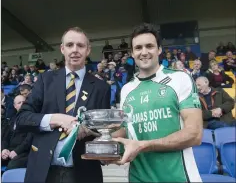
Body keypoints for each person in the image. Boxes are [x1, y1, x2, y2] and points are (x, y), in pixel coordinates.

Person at [16, 27, 111, 183]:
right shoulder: (45, 80)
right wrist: (56, 118)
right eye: (70, 45)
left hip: (84, 173)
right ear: (62, 49)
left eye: (80, 45)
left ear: (88, 50)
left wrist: (89, 132)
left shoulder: (102, 88)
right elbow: (22, 118)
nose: (75, 50)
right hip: (43, 172)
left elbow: (103, 131)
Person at [110, 23, 203, 182]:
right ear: (132, 53)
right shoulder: (127, 89)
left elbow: (195, 134)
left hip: (177, 177)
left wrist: (144, 145)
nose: (144, 52)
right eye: (138, 48)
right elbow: (127, 130)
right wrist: (103, 141)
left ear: (159, 49)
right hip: (137, 177)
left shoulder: (180, 79)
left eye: (149, 46)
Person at [1, 95, 33, 170]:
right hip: (10, 150)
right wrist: (4, 149)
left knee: (12, 165)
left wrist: (16, 151)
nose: (22, 104)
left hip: (24, 152)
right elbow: (5, 138)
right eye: (19, 103)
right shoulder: (12, 119)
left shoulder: (32, 118)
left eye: (23, 102)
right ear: (15, 106)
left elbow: (28, 140)